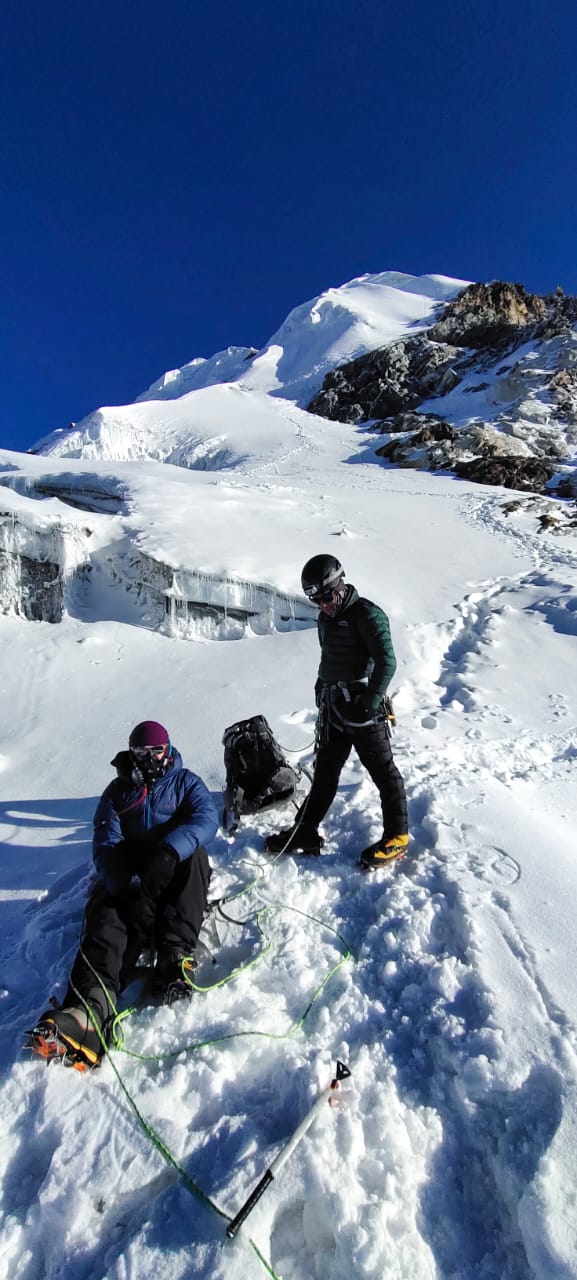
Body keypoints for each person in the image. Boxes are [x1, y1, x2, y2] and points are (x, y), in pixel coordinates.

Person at [29, 720, 218, 1069]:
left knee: (196, 859)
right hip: (132, 876)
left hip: (172, 866)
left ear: (168, 749)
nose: (149, 758)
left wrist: (169, 851)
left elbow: (206, 819)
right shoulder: (118, 792)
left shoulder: (185, 782)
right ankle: (87, 1010)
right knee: (106, 910)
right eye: (141, 752)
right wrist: (125, 884)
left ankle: (174, 958)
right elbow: (106, 843)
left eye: (156, 751)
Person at [266, 556, 408, 869]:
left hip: (364, 712)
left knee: (383, 772)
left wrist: (370, 702)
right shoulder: (325, 618)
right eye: (316, 601)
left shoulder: (368, 615)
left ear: (340, 586)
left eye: (327, 598)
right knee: (325, 775)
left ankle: (397, 837)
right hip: (334, 709)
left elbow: (387, 663)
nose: (324, 605)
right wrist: (321, 686)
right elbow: (328, 656)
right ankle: (305, 831)